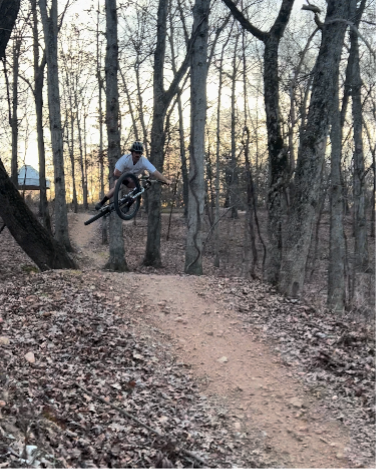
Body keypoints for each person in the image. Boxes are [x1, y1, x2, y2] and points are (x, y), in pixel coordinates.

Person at [95, 141, 172, 210]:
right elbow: (116, 173)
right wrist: (128, 178)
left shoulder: (144, 161)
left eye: (139, 153)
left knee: (138, 189)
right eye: (136, 152)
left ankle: (127, 206)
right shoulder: (124, 159)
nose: (137, 155)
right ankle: (101, 202)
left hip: (132, 179)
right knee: (118, 187)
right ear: (132, 152)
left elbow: (155, 172)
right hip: (120, 175)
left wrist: (165, 180)